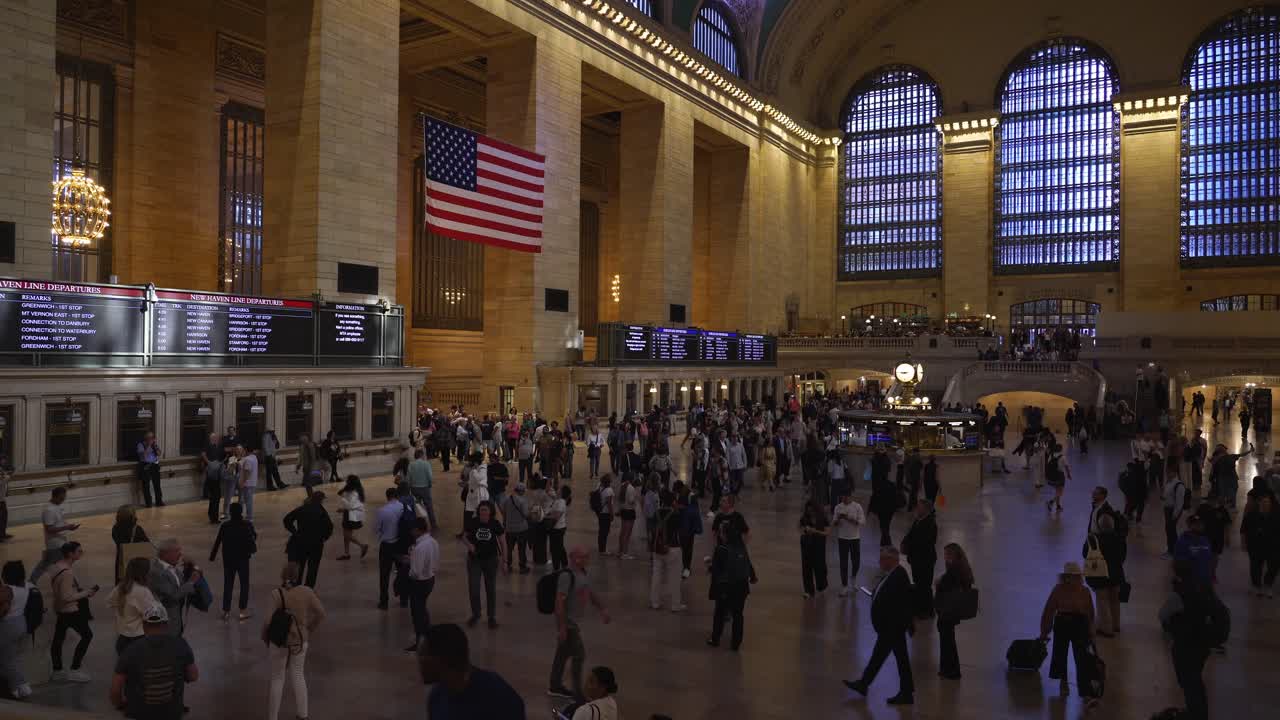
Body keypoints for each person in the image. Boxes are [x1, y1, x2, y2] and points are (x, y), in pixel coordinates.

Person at [843, 546, 915, 705]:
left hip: (892, 628)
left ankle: (903, 692)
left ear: (891, 560)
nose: (879, 561)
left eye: (882, 559)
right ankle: (903, 691)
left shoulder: (899, 576)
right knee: (888, 658)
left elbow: (903, 604)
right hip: (891, 628)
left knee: (888, 658)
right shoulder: (892, 574)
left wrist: (902, 625)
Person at [419, 623, 526, 720]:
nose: (419, 662)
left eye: (423, 656)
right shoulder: (437, 698)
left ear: (441, 660)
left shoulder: (499, 699)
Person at [110, 604, 197, 720]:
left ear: (144, 625)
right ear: (166, 624)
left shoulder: (131, 650)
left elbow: (115, 689)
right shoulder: (181, 644)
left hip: (140, 713)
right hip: (172, 712)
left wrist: (120, 704)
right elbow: (193, 676)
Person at [263, 562, 326, 720]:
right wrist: (308, 629)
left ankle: (273, 717)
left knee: (277, 678)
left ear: (282, 576)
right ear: (298, 576)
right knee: (298, 675)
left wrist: (265, 638)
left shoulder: (275, 594)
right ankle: (303, 715)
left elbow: (267, 622)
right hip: (299, 639)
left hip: (279, 641)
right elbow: (321, 614)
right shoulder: (306, 591)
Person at [550, 547, 611, 701]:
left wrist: (602, 609)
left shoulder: (583, 573)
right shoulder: (566, 576)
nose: (584, 560)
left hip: (573, 622)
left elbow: (590, 593)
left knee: (562, 655)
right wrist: (562, 627)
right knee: (579, 655)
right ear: (572, 558)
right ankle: (577, 693)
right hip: (569, 624)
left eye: (586, 557)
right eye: (581, 557)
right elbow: (559, 602)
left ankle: (555, 686)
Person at [1158, 560, 1215, 720]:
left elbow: (1162, 615)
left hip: (1185, 644)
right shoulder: (1204, 588)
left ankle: (1196, 713)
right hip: (1202, 643)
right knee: (1195, 678)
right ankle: (1199, 711)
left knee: (1188, 681)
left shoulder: (1179, 595)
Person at [1039, 562, 1098, 702]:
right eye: (1071, 576)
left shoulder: (1085, 591)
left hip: (1080, 625)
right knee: (1060, 655)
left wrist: (1091, 631)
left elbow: (1090, 613)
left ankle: (1084, 690)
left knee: (1081, 658)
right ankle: (1063, 681)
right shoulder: (1058, 590)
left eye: (1077, 576)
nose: (1074, 579)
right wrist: (1045, 631)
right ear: (1065, 577)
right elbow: (1049, 611)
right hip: (1062, 624)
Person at [706, 517, 756, 651]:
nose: (720, 534)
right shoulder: (740, 546)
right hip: (741, 586)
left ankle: (715, 638)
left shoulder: (721, 549)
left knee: (720, 613)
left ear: (725, 534)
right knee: (738, 614)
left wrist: (710, 568)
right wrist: (753, 577)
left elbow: (717, 570)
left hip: (726, 587)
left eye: (721, 532)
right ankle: (736, 643)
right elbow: (748, 563)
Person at [50, 541, 97, 681]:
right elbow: (66, 597)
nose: (81, 553)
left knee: (58, 639)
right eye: (79, 551)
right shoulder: (67, 572)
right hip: (69, 610)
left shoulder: (57, 566)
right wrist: (85, 593)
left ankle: (57, 670)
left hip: (59, 609)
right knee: (87, 635)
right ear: (70, 554)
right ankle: (74, 669)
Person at [209, 502, 257, 621]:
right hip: (243, 559)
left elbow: (218, 541)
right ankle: (242, 611)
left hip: (229, 559)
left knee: (228, 585)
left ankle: (226, 612)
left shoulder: (225, 526)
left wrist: (212, 556)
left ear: (230, 512)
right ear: (241, 511)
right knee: (244, 584)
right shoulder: (247, 524)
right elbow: (254, 536)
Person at [934, 543, 975, 679]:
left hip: (947, 611)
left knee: (947, 642)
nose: (945, 557)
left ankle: (950, 670)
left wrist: (939, 582)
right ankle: (948, 669)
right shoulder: (962, 569)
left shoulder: (953, 570)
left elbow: (945, 586)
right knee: (948, 641)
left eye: (947, 554)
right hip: (951, 611)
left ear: (953, 555)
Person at [463, 500, 506, 628]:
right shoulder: (473, 522)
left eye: (485, 510)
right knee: (474, 588)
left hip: (491, 560)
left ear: (490, 512)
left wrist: (505, 561)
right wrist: (469, 545)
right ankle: (476, 614)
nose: (483, 512)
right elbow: (464, 536)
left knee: (490, 589)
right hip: (474, 560)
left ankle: (491, 617)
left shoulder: (495, 524)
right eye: (481, 510)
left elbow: (503, 543)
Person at [1083, 514, 1126, 636]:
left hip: (1099, 575)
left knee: (1102, 601)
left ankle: (1106, 628)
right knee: (1115, 600)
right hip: (1116, 575)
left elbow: (1084, 553)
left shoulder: (1093, 539)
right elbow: (1123, 556)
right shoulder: (1120, 539)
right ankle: (1116, 624)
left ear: (1100, 526)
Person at [148, 539, 202, 637]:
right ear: (165, 553)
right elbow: (173, 595)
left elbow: (182, 586)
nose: (180, 554)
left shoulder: (172, 567)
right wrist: (191, 582)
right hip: (166, 624)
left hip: (176, 621)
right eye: (176, 551)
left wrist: (193, 566)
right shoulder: (157, 572)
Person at [283, 491, 334, 588]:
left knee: (300, 566)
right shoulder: (321, 511)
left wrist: (295, 532)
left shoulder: (302, 509)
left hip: (301, 541)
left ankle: (296, 586)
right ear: (321, 500)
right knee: (313, 568)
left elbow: (287, 520)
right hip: (316, 544)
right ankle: (308, 589)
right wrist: (324, 537)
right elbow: (329, 527)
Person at [109, 557, 158, 657]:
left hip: (122, 639)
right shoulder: (143, 591)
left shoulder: (120, 587)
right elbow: (151, 616)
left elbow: (110, 602)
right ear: (145, 573)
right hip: (139, 640)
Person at [30, 486, 79, 584]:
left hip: (61, 541)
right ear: (55, 496)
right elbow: (49, 529)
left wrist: (69, 526)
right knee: (62, 563)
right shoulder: (48, 510)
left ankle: (32, 581)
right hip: (54, 543)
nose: (62, 500)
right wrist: (66, 527)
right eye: (61, 498)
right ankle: (72, 584)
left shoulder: (57, 506)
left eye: (64, 498)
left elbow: (59, 522)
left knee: (47, 563)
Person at [0, 561, 33, 698]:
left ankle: (16, 689)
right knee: (14, 658)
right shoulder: (26, 586)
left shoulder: (7, 590)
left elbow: (2, 608)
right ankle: (22, 686)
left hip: (8, 625)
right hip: (21, 622)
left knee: (6, 660)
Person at [901, 500, 939, 617]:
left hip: (925, 560)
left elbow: (925, 542)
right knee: (919, 584)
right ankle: (920, 608)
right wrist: (904, 543)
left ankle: (927, 611)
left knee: (925, 586)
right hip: (916, 560)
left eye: (919, 507)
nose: (917, 509)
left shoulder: (930, 524)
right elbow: (910, 535)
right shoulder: (918, 520)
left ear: (926, 509)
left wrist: (909, 547)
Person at [407, 518, 439, 652]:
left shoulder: (419, 548)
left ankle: (420, 641)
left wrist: (409, 562)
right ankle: (428, 637)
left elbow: (416, 572)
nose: (411, 532)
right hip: (430, 579)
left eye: (413, 530)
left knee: (417, 614)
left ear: (417, 530)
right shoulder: (432, 542)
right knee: (422, 610)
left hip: (419, 583)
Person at [649, 490, 684, 612]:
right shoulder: (676, 514)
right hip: (673, 547)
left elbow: (651, 530)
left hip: (657, 548)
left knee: (656, 575)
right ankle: (675, 604)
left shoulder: (657, 513)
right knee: (674, 577)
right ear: (673, 501)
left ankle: (655, 602)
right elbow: (681, 531)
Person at [1241, 494, 1280, 597]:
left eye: (1267, 502)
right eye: (1263, 502)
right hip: (1255, 546)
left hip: (1273, 546)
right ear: (1259, 503)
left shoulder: (1276, 515)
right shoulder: (1251, 515)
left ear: (1271, 503)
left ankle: (1268, 585)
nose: (1265, 504)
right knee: (1255, 566)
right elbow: (1243, 529)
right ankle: (1256, 586)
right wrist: (1243, 543)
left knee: (1274, 566)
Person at [112, 504, 151, 585]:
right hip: (136, 561)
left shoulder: (115, 528)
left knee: (123, 583)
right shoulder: (137, 529)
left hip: (122, 558)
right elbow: (147, 545)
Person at [335, 475, 371, 560]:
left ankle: (362, 545)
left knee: (347, 535)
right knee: (346, 534)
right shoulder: (356, 490)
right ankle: (346, 553)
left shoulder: (354, 492)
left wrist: (342, 509)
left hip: (350, 515)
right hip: (351, 514)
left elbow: (351, 505)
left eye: (347, 480)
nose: (346, 481)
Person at [799, 500, 830, 599]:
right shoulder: (804, 518)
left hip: (819, 546)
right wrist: (804, 530)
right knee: (806, 567)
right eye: (808, 511)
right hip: (806, 545)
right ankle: (808, 590)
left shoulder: (823, 518)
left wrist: (815, 531)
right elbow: (800, 528)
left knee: (820, 566)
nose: (810, 513)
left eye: (812, 511)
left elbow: (827, 532)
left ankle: (822, 586)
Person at [500, 482, 531, 574]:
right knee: (521, 549)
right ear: (522, 491)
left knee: (509, 548)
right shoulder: (523, 501)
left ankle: (508, 565)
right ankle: (522, 567)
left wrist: (505, 523)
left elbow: (504, 513)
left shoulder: (507, 500)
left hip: (509, 529)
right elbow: (525, 514)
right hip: (521, 529)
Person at [868, 449, 897, 547]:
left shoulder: (874, 460)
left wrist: (871, 509)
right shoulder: (891, 485)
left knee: (883, 525)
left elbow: (874, 498)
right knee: (886, 525)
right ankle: (886, 541)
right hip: (889, 509)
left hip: (881, 507)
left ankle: (885, 541)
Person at [406, 449, 439, 532]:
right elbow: (430, 476)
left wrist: (410, 487)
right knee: (429, 507)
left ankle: (419, 526)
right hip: (424, 488)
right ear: (421, 455)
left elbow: (408, 478)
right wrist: (430, 485)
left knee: (418, 507)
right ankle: (433, 525)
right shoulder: (426, 464)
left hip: (414, 489)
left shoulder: (411, 465)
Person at [1162, 469, 1191, 559]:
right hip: (1167, 509)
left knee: (1171, 530)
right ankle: (1171, 549)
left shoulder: (1179, 485)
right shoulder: (1169, 483)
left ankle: (1173, 551)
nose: (1168, 474)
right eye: (1167, 472)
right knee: (1169, 530)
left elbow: (1179, 502)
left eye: (1170, 472)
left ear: (1175, 473)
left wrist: (1175, 513)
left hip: (1173, 510)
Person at [201, 432, 225, 524]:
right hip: (212, 472)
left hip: (218, 470)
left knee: (216, 497)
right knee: (215, 496)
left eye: (217, 438)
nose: (217, 439)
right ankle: (213, 517)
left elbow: (222, 455)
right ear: (212, 439)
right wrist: (209, 463)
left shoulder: (219, 446)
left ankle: (213, 515)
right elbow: (203, 454)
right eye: (215, 438)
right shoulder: (207, 445)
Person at [136, 431, 164, 507]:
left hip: (154, 465)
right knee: (146, 485)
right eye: (150, 438)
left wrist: (155, 447)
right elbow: (143, 456)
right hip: (145, 466)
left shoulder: (154, 445)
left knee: (157, 484)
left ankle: (159, 501)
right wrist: (148, 446)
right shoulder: (141, 445)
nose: (152, 439)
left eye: (152, 437)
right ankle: (149, 503)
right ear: (146, 438)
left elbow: (159, 453)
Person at [615, 474, 639, 560]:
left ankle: (620, 551)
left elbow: (618, 498)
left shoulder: (622, 486)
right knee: (627, 534)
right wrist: (636, 497)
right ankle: (625, 553)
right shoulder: (631, 488)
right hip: (629, 511)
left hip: (623, 510)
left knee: (622, 532)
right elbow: (631, 501)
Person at [548, 486, 572, 571]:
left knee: (555, 549)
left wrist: (547, 520)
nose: (557, 490)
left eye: (559, 489)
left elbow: (556, 516)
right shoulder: (558, 500)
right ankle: (564, 563)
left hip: (557, 529)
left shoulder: (561, 502)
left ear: (562, 493)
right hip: (558, 528)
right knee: (560, 546)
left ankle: (556, 567)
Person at [236, 444, 259, 521]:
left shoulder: (248, 460)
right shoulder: (254, 457)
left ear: (246, 450)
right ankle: (249, 516)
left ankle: (249, 517)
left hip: (247, 483)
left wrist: (242, 482)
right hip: (252, 482)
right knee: (248, 500)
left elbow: (247, 472)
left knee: (248, 501)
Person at [593, 474, 615, 555]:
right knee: (605, 532)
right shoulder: (609, 490)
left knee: (601, 531)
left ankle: (601, 548)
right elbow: (609, 504)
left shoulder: (599, 487)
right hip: (606, 513)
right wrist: (612, 514)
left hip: (600, 512)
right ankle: (603, 550)